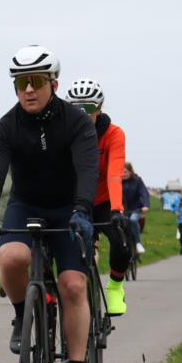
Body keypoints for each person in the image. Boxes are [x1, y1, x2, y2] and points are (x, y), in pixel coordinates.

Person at [0, 45, 97, 363]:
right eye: (20, 83)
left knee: (73, 284)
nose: (28, 89)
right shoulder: (5, 127)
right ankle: (19, 315)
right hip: (25, 205)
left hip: (67, 209)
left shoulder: (75, 122)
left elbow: (88, 169)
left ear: (53, 83)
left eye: (36, 82)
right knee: (11, 258)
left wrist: (83, 209)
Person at [66, 79, 133, 315]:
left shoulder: (114, 134)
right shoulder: (65, 133)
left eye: (88, 108)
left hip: (104, 200)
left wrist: (117, 210)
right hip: (75, 200)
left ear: (99, 109)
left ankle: (115, 287)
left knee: (122, 243)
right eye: (76, 108)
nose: (82, 113)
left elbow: (115, 173)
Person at [121, 163, 149, 254]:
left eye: (125, 172)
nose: (123, 174)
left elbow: (144, 193)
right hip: (123, 210)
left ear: (130, 171)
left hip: (136, 208)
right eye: (122, 172)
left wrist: (146, 205)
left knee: (133, 220)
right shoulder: (118, 181)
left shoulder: (137, 180)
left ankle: (138, 243)